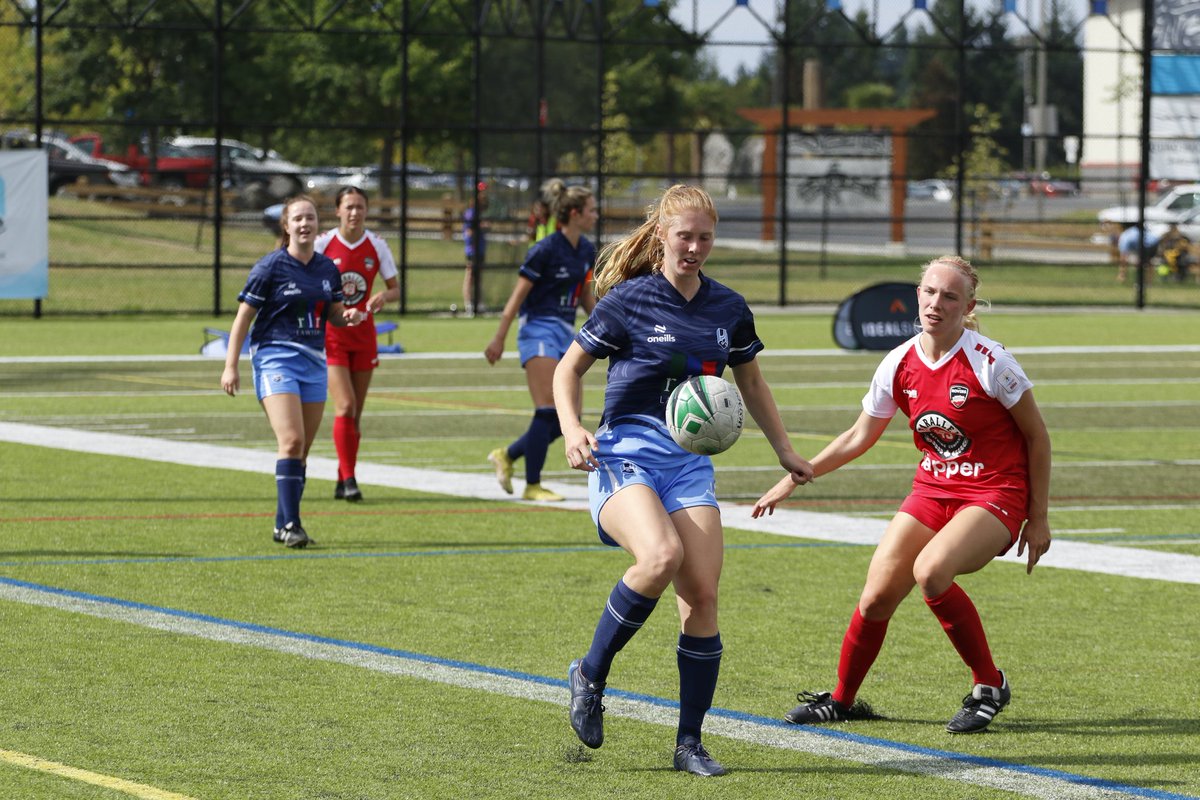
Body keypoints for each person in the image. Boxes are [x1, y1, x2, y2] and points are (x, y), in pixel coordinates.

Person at [553, 184, 814, 777]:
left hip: (688, 465)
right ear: (662, 236)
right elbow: (568, 370)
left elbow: (751, 382)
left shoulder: (728, 307)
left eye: (705, 238)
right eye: (684, 236)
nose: (694, 248)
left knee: (702, 596)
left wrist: (785, 450)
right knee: (660, 557)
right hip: (625, 457)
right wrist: (571, 429)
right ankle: (590, 674)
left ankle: (689, 743)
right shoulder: (629, 300)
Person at [752, 254, 1052, 734]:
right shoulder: (899, 361)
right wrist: (795, 477)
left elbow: (1037, 437)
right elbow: (859, 435)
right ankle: (842, 699)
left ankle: (989, 685)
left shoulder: (991, 361)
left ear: (968, 306)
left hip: (995, 491)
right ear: (917, 295)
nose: (936, 303)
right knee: (875, 598)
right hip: (932, 490)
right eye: (929, 292)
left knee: (931, 572)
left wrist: (1038, 517)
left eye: (950, 296)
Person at [221, 194, 366, 548]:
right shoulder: (270, 267)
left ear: (318, 224)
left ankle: (280, 525)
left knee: (301, 452)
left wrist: (347, 316)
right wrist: (230, 366)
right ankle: (291, 524)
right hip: (275, 358)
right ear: (286, 226)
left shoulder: (327, 268)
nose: (305, 224)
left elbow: (333, 314)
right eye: (298, 218)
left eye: (310, 218)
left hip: (314, 362)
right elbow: (243, 318)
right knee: (291, 441)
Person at [485, 179, 598, 502]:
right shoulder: (545, 249)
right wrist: (499, 338)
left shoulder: (586, 250)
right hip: (537, 329)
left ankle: (507, 455)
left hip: (565, 331)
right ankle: (532, 484)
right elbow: (517, 297)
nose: (595, 215)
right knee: (548, 410)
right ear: (574, 213)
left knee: (569, 420)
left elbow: (584, 295)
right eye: (591, 210)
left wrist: (607, 326)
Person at [315, 186, 400, 502]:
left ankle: (342, 478)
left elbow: (395, 289)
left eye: (359, 207)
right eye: (348, 207)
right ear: (338, 210)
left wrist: (383, 296)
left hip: (364, 336)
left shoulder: (376, 244)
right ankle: (351, 480)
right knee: (345, 406)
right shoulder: (323, 243)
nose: (354, 212)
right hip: (333, 336)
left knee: (355, 415)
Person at [461, 182, 488, 317]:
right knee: (470, 276)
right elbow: (469, 233)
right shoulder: (470, 213)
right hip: (472, 250)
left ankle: (479, 303)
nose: (484, 197)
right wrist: (479, 227)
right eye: (481, 194)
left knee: (479, 277)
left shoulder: (480, 213)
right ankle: (469, 305)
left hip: (481, 249)